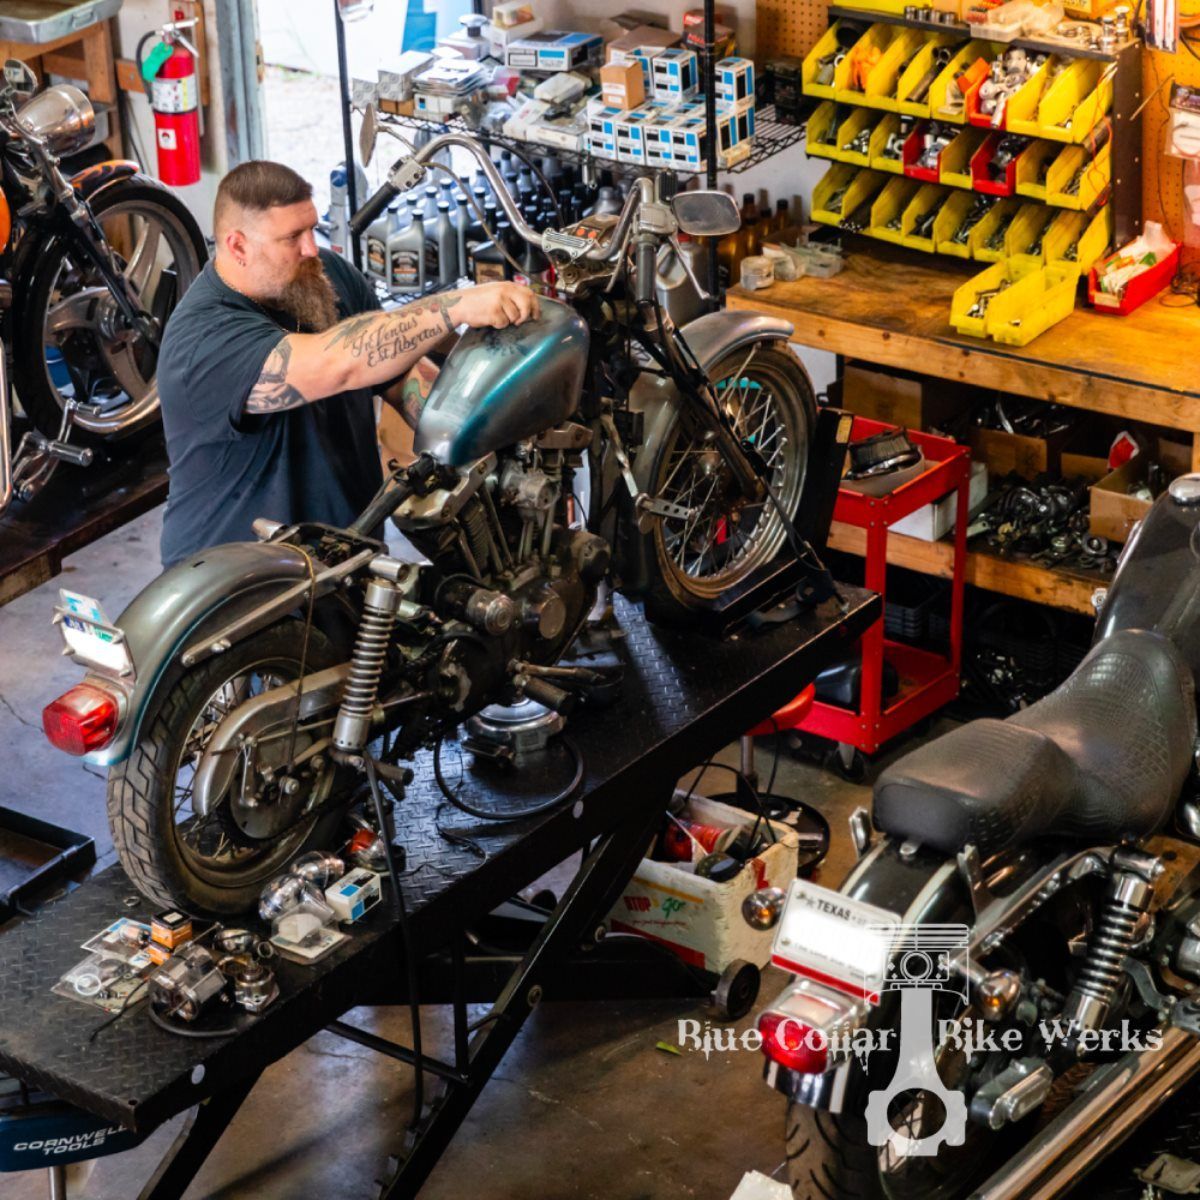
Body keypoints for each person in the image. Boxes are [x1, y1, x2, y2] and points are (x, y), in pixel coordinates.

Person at [155, 160, 539, 566]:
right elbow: (339, 362)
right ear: (237, 246)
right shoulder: (203, 339)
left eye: (311, 228)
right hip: (237, 580)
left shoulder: (322, 277)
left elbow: (393, 370)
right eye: (291, 238)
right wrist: (455, 307)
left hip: (343, 556)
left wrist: (476, 434)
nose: (311, 248)